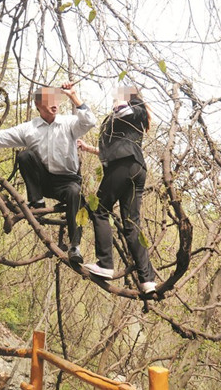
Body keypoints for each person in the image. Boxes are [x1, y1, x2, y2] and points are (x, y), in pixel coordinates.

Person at [0, 82, 97, 263]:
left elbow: (89, 121)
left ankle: (75, 247)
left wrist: (73, 96)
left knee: (75, 192)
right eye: (49, 100)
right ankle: (37, 201)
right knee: (25, 155)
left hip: (68, 182)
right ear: (38, 105)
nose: (54, 103)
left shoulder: (69, 123)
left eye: (56, 99)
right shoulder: (30, 128)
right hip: (44, 181)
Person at [77, 86, 157, 294]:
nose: (114, 100)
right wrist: (89, 148)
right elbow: (115, 147)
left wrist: (122, 99)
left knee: (99, 210)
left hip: (124, 166)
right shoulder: (125, 118)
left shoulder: (135, 107)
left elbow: (125, 110)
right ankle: (147, 280)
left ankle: (105, 264)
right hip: (135, 168)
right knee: (131, 223)